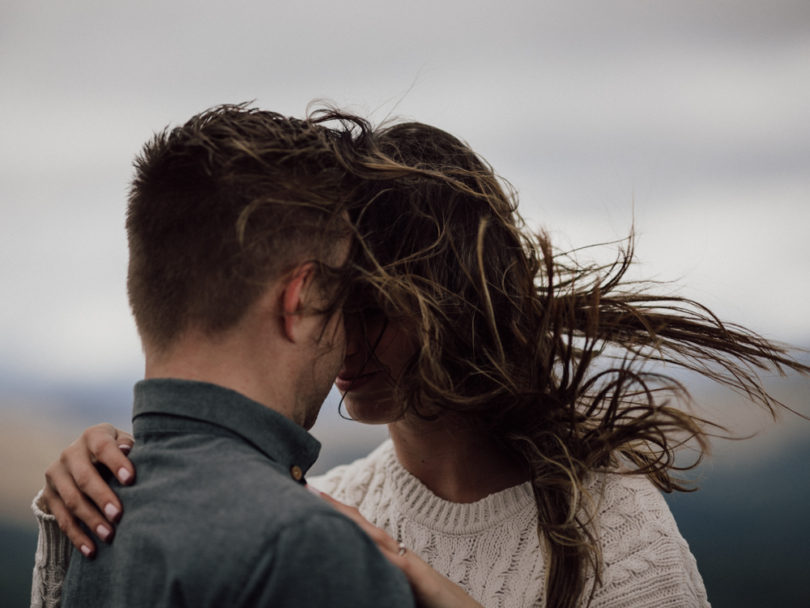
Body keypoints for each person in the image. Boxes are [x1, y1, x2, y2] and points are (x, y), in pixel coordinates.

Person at [32, 115, 808, 607]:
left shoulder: (616, 528)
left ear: (449, 303)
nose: (336, 335)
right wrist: (128, 483)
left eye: (371, 304)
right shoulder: (324, 505)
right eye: (333, 298)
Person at [36, 104, 416, 608]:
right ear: (298, 297)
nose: (350, 336)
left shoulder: (85, 515)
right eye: (347, 297)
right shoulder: (309, 549)